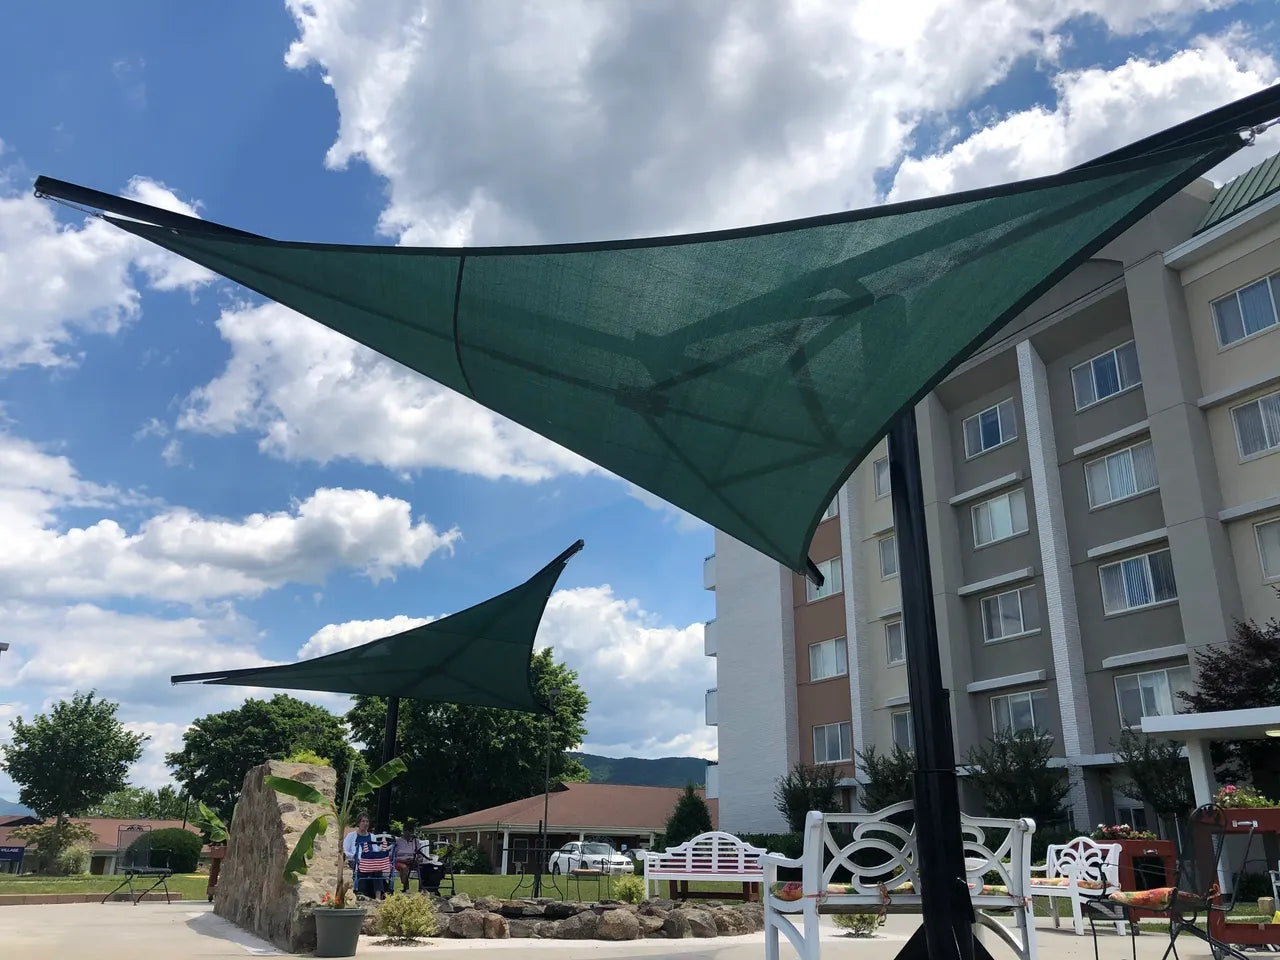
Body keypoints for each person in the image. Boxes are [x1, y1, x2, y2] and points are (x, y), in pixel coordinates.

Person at [342, 812, 390, 899]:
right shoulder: (351, 836)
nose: (365, 824)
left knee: (378, 869)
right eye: (363, 821)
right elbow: (344, 850)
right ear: (358, 823)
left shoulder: (372, 837)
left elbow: (376, 850)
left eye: (367, 821)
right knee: (362, 867)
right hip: (357, 861)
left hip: (371, 862)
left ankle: (378, 896)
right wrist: (353, 856)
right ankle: (362, 893)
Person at [393, 821, 421, 894]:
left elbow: (420, 855)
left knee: (423, 868)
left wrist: (416, 859)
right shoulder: (398, 841)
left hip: (413, 862)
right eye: (408, 830)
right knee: (404, 868)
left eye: (411, 830)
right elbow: (392, 856)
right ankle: (406, 890)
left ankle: (422, 890)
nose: (410, 833)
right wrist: (403, 859)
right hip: (400, 862)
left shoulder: (416, 841)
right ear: (404, 830)